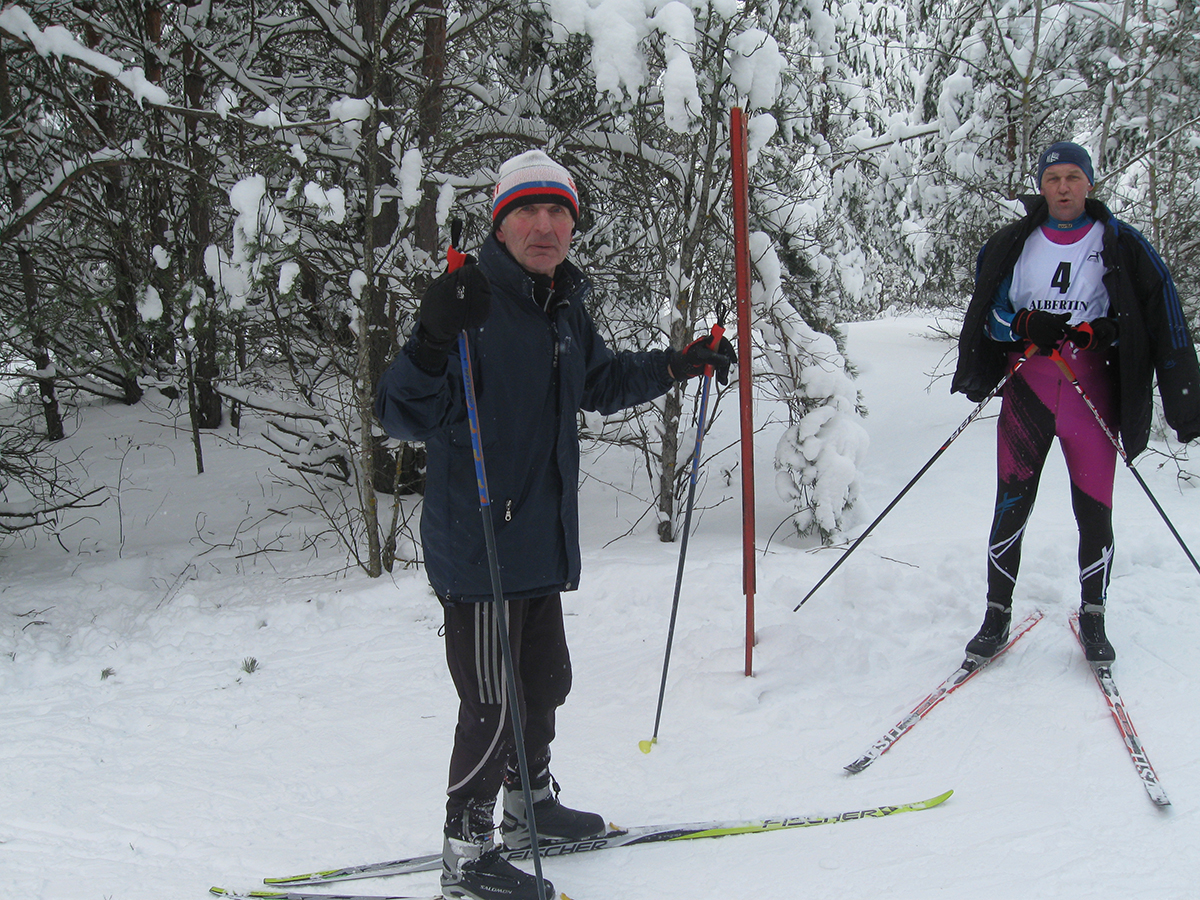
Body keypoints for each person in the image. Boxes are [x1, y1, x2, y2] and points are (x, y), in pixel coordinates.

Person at [374, 149, 736, 900]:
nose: (544, 226)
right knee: (491, 702)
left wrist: (679, 364)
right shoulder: (470, 304)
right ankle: (466, 854)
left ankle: (529, 807)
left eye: (557, 212)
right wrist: (430, 339)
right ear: (501, 224)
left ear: (572, 225)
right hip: (479, 545)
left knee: (543, 683)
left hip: (538, 536)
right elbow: (401, 415)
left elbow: (597, 381)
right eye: (527, 212)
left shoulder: (562, 304)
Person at [952, 140, 1200, 666]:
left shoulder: (1121, 243)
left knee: (1094, 510)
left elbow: (1158, 316)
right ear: (1041, 186)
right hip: (1030, 389)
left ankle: (1094, 614)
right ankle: (996, 614)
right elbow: (987, 317)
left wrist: (1107, 332)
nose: (1062, 188)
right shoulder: (1012, 244)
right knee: (1010, 506)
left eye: (1072, 177)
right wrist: (1023, 323)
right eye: (1052, 178)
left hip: (1091, 393)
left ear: (1089, 181)